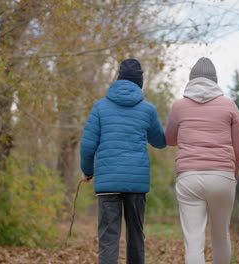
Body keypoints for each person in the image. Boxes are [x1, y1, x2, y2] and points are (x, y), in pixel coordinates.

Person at [80, 58, 166, 264]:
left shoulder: (100, 107)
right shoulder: (148, 110)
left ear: (118, 78)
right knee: (136, 234)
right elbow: (160, 142)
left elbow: (87, 146)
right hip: (136, 183)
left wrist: (88, 170)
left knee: (108, 236)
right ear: (140, 82)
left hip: (108, 183)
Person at [165, 57, 239, 264]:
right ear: (215, 81)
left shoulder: (179, 106)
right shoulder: (229, 105)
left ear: (191, 80)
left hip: (189, 176)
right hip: (222, 176)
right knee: (221, 235)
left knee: (193, 240)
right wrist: (233, 174)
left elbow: (170, 139)